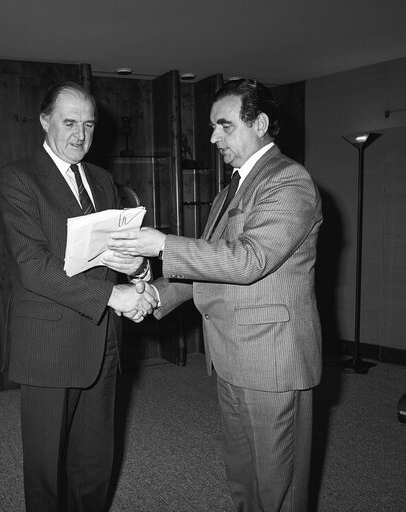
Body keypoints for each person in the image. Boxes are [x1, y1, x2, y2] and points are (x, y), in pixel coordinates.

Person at [106, 78, 323, 512]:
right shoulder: (230, 191)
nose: (212, 137)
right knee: (243, 475)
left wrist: (162, 244)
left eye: (224, 126)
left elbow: (248, 261)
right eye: (212, 126)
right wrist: (150, 295)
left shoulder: (289, 182)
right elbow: (208, 269)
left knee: (278, 486)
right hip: (231, 356)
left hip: (272, 362)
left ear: (259, 123)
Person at [0, 81, 157, 512]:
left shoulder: (103, 180)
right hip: (48, 344)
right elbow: (34, 267)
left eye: (88, 124)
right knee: (47, 470)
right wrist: (113, 297)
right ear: (45, 121)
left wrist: (138, 272)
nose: (79, 135)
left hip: (103, 340)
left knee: (95, 460)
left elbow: (116, 251)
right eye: (69, 123)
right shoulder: (17, 178)